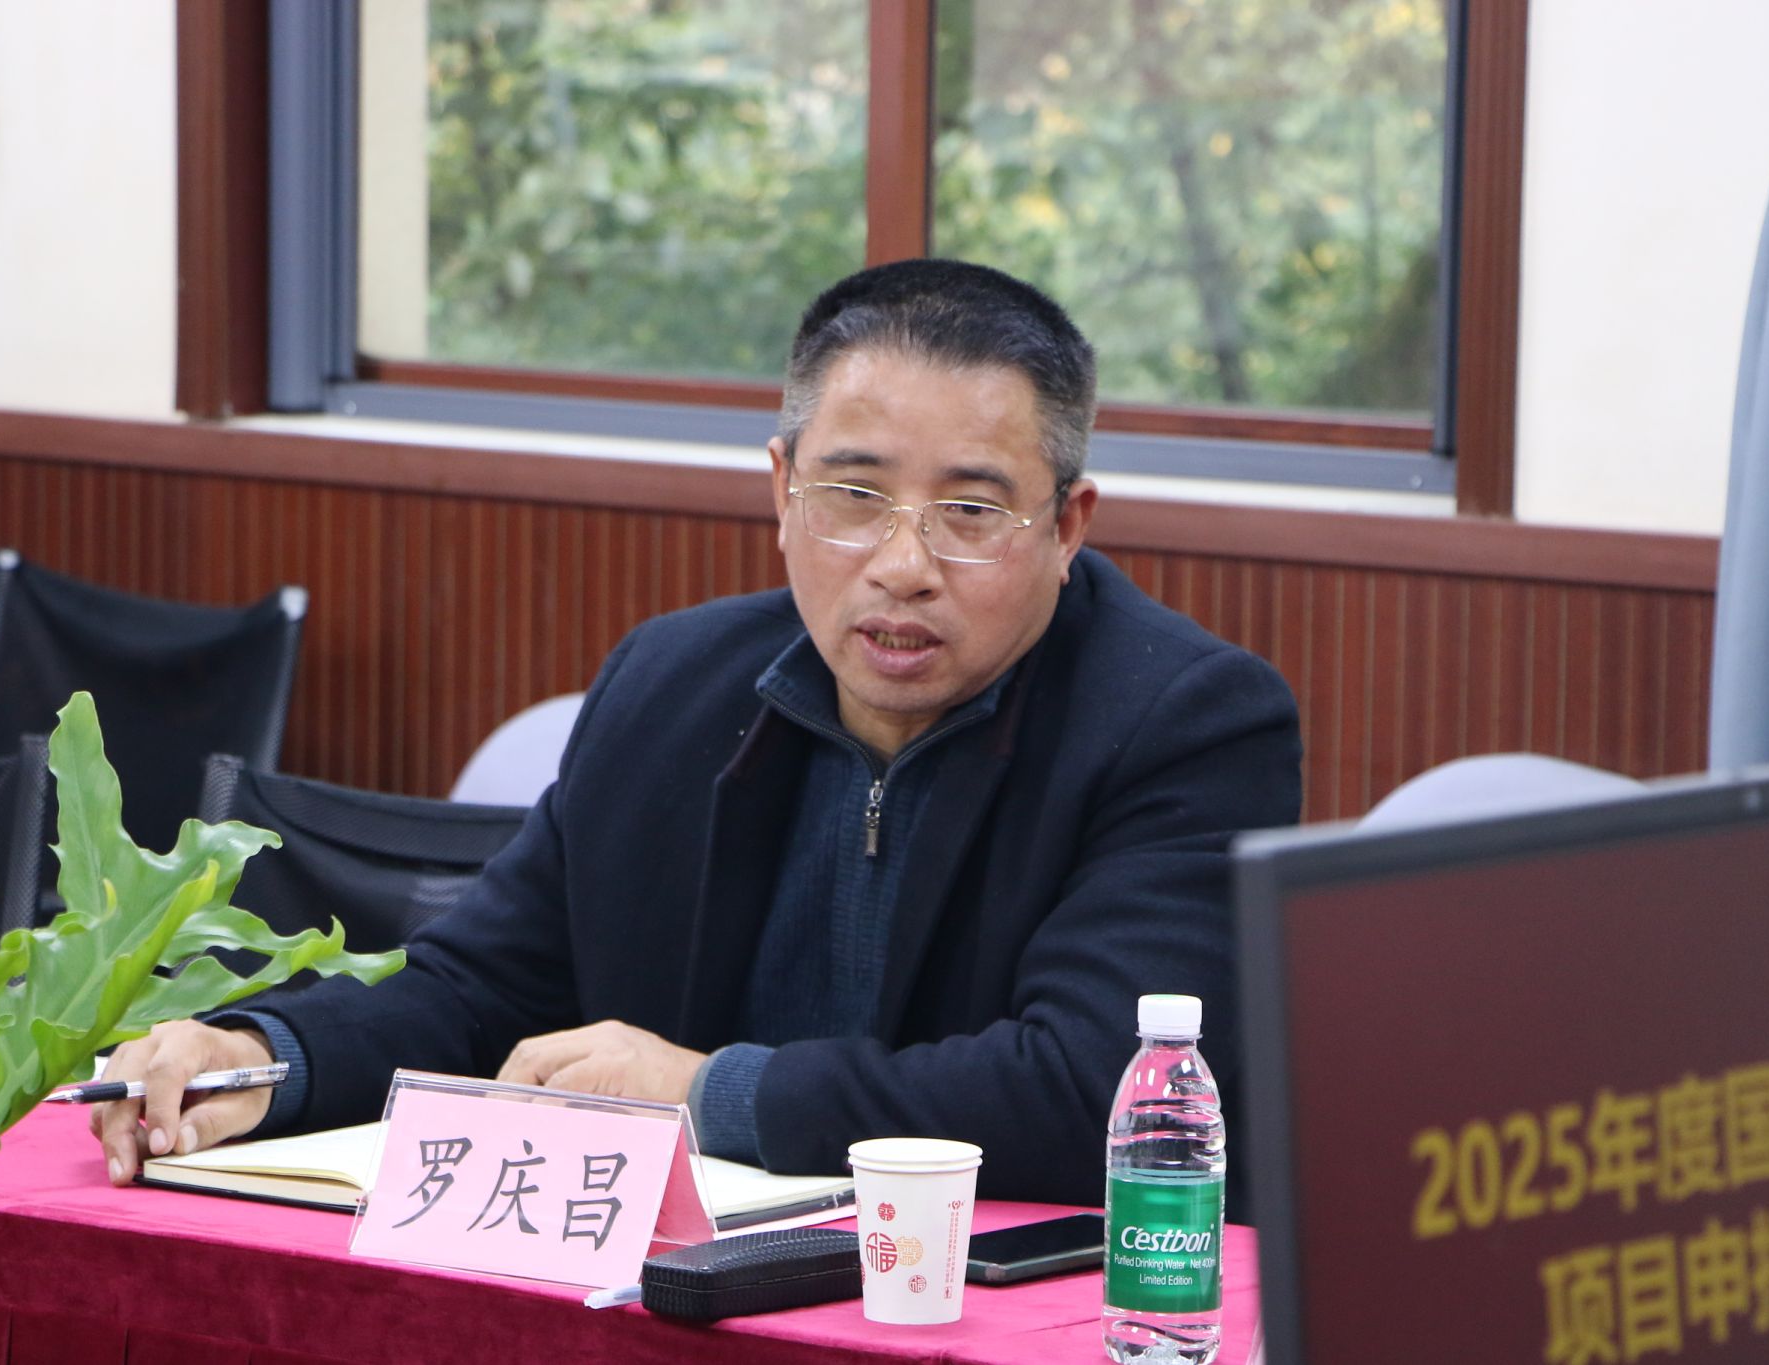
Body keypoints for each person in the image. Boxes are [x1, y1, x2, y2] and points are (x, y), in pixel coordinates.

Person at [91, 259, 1302, 1209]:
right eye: (852, 496)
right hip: (675, 1294)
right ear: (780, 489)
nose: (901, 564)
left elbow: (1092, 1092)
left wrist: (708, 1092)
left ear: (1067, 524)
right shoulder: (672, 684)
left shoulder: (1185, 722)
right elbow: (484, 991)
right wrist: (263, 1056)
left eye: (969, 511)